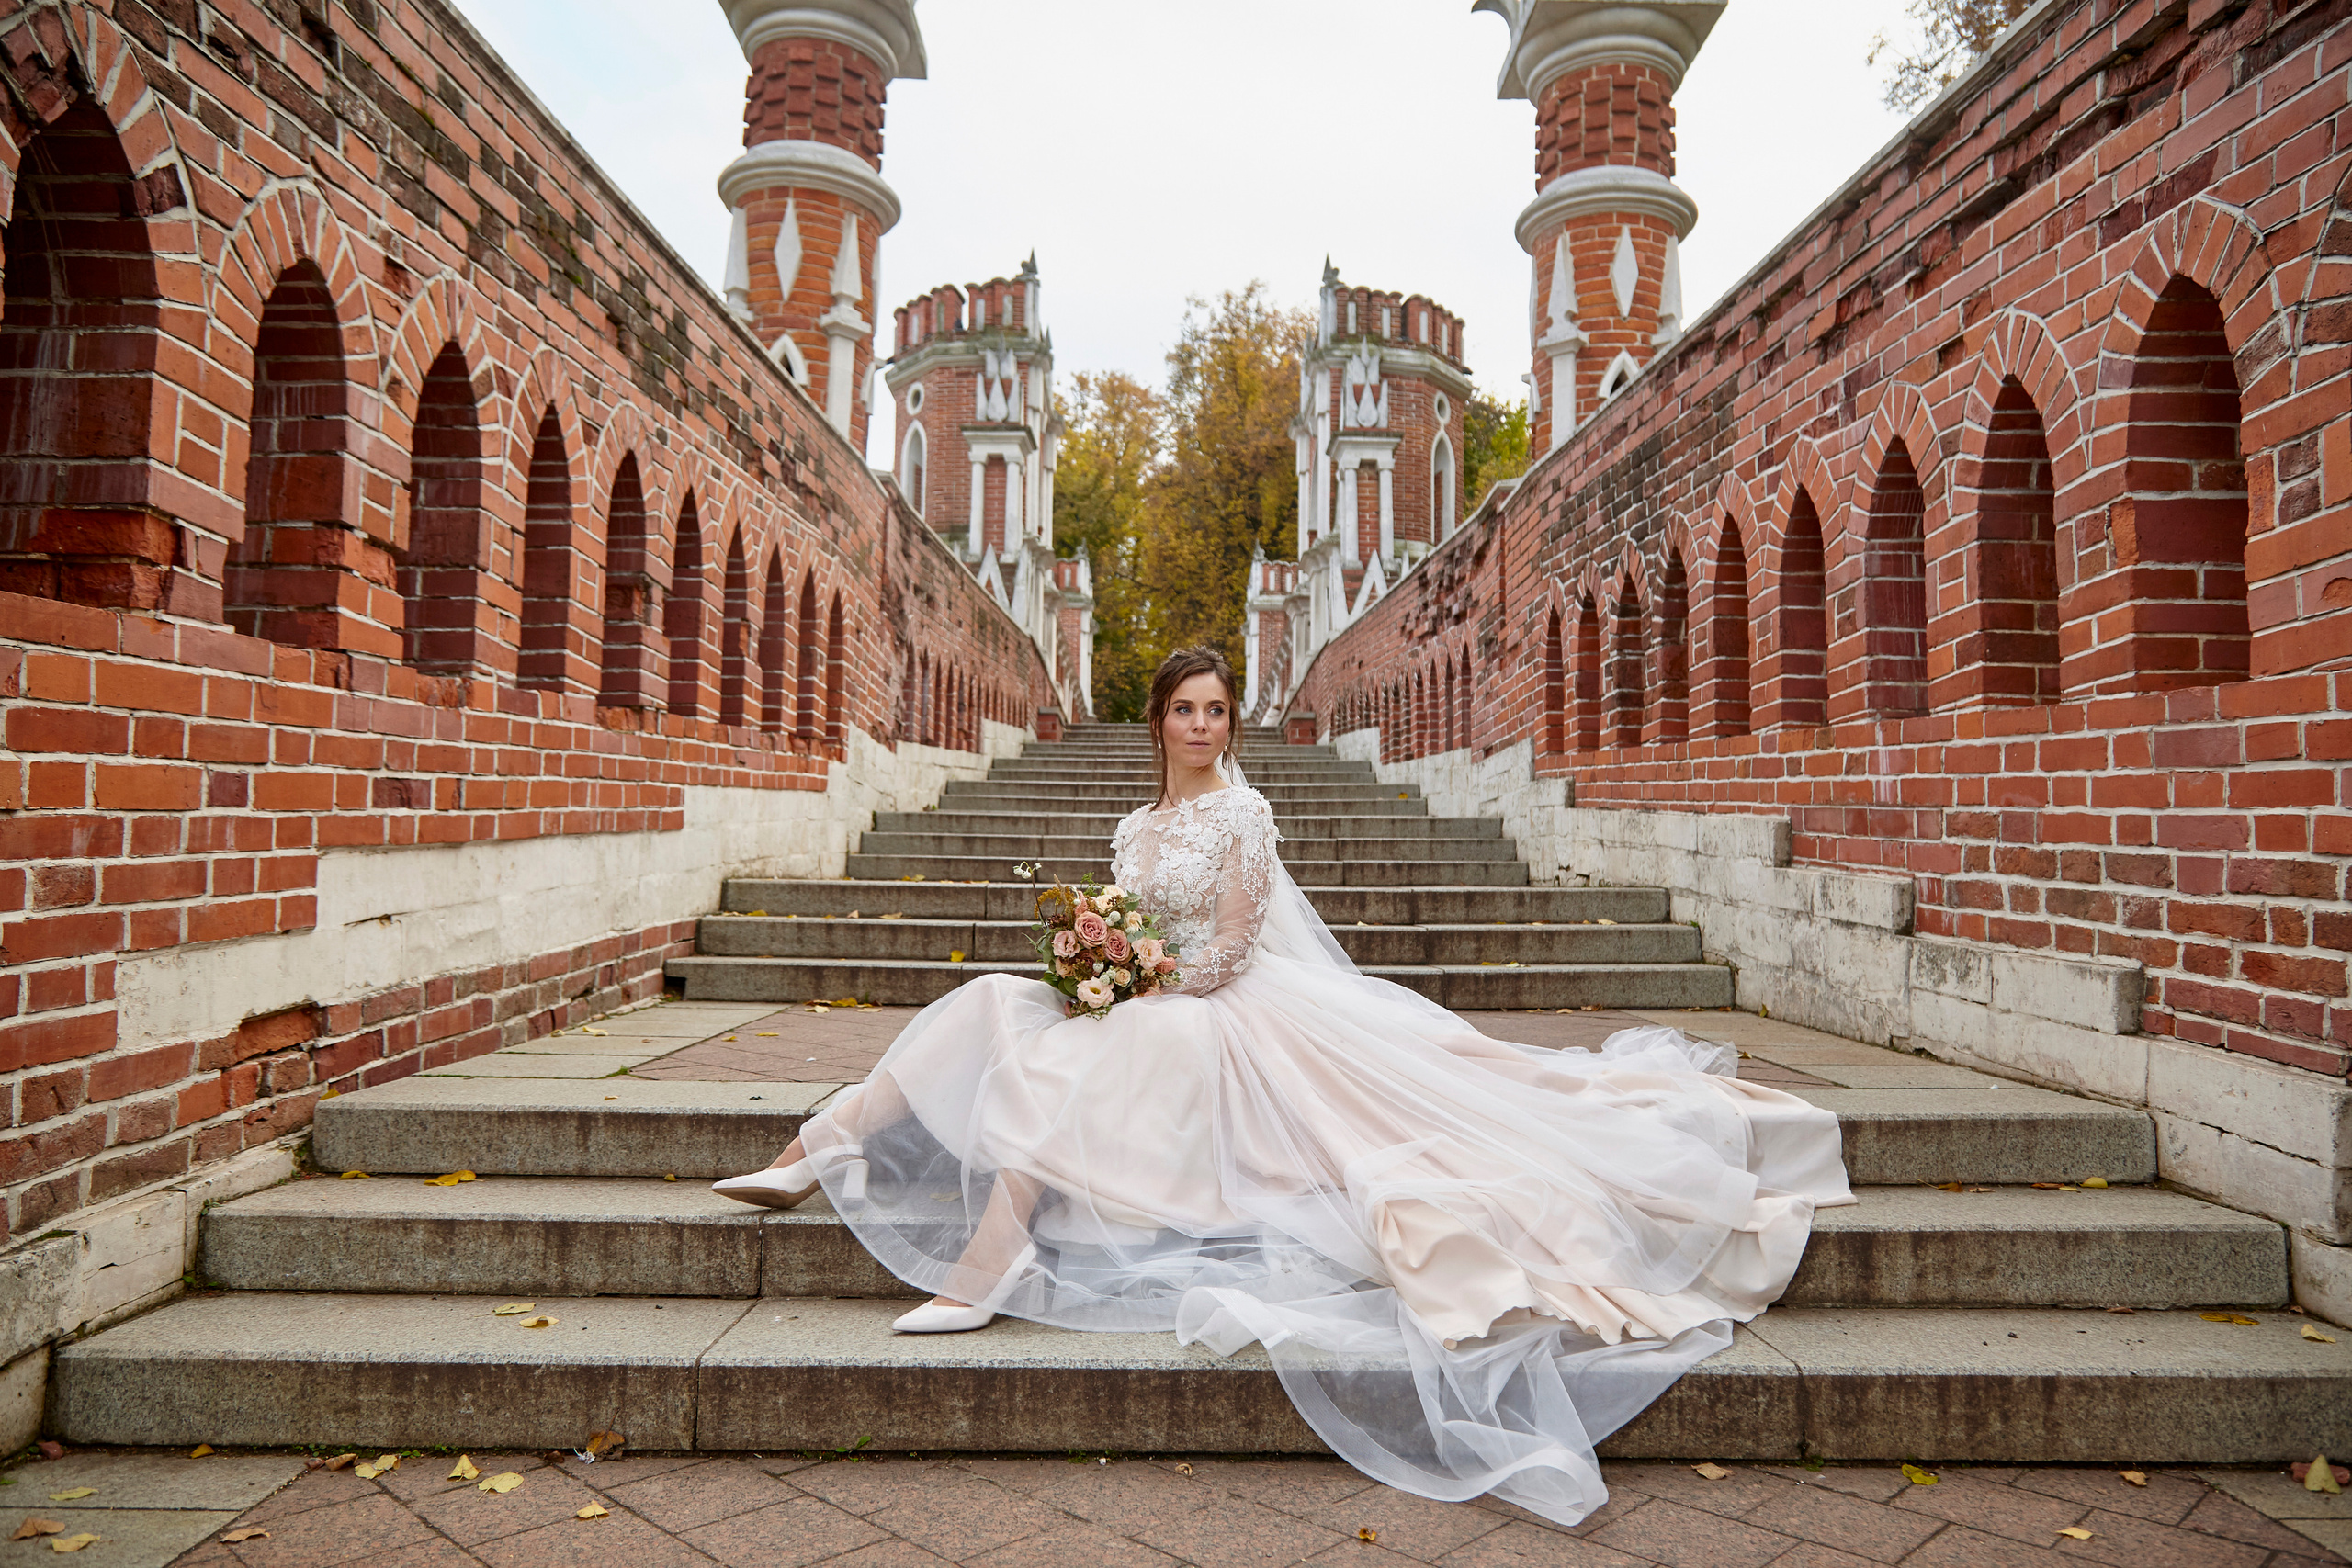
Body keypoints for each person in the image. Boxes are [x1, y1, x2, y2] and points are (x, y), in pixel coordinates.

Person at [713, 645, 1852, 1527]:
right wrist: (1097, 969)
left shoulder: (1243, 815)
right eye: (1183, 710)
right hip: (1144, 1002)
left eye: (1216, 710)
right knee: (984, 1005)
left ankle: (989, 1255)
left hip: (1220, 1014)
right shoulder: (1135, 823)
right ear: (1155, 721)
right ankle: (813, 1152)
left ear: (1228, 724)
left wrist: (1141, 984)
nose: (1200, 726)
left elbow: (1230, 949)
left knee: (1119, 1049)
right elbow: (1124, 928)